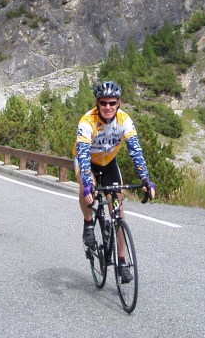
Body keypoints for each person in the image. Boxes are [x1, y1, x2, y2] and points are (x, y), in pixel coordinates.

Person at [73, 80, 156, 283]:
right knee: (88, 187)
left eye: (112, 103)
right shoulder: (87, 121)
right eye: (103, 103)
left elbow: (135, 151)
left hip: (109, 163)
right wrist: (88, 183)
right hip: (88, 163)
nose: (107, 107)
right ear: (97, 103)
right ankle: (88, 223)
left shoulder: (124, 120)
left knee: (118, 212)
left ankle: (121, 261)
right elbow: (83, 156)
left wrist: (145, 178)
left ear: (119, 103)